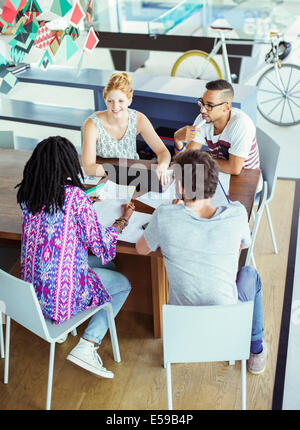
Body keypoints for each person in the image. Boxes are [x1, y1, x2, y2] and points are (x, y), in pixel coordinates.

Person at [136, 149, 267, 374]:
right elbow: (243, 244)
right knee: (249, 275)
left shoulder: (165, 215)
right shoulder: (236, 214)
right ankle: (255, 350)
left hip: (182, 328)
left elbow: (141, 248)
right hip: (227, 327)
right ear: (214, 184)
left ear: (182, 188)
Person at [16, 136, 134, 379]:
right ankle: (88, 345)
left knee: (107, 266)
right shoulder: (74, 198)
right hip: (58, 297)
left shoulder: (29, 194)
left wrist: (84, 205)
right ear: (70, 165)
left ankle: (61, 329)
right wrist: (123, 221)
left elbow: (54, 216)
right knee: (122, 284)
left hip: (30, 296)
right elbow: (101, 245)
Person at [82, 71, 171, 185]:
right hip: (103, 176)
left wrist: (162, 166)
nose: (115, 106)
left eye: (121, 101)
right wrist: (120, 172)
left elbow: (163, 152)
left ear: (130, 100)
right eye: (110, 101)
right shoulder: (91, 124)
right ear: (105, 99)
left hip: (132, 175)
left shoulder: (139, 119)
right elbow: (88, 167)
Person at [173, 79, 260, 175]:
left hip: (247, 178)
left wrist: (200, 159)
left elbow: (234, 168)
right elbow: (187, 160)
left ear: (226, 107)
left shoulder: (241, 124)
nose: (202, 110)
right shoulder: (203, 119)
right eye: (202, 103)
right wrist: (177, 140)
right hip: (219, 173)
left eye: (210, 105)